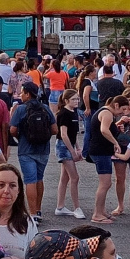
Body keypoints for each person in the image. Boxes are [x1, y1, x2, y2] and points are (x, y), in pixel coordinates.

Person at [9, 83, 56, 220]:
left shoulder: (21, 109)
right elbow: (55, 130)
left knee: (30, 180)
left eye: (22, 92)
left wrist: (20, 137)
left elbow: (12, 130)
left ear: (28, 94)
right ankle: (38, 210)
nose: (21, 95)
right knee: (39, 179)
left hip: (26, 149)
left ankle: (32, 213)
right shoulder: (45, 108)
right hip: (43, 149)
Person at [88, 94, 130, 223]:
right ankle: (97, 214)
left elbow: (106, 129)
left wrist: (116, 127)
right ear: (116, 105)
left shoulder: (106, 112)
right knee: (105, 184)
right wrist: (115, 142)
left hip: (102, 151)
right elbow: (104, 130)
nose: (123, 112)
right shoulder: (107, 113)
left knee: (106, 183)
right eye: (122, 109)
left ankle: (102, 211)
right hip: (100, 151)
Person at [51, 90, 85, 219]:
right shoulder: (64, 114)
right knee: (74, 177)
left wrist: (78, 148)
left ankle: (60, 207)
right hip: (63, 146)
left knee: (64, 178)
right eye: (74, 99)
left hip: (69, 144)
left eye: (77, 99)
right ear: (66, 101)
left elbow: (73, 134)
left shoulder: (74, 112)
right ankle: (77, 208)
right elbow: (64, 134)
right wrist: (72, 151)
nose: (76, 101)